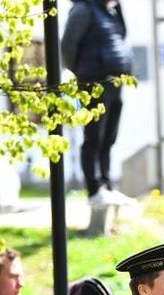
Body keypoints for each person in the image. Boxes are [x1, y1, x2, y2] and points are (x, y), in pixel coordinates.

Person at [61, 0, 133, 203]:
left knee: (108, 137)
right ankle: (94, 190)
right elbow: (67, 46)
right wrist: (83, 73)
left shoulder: (108, 12)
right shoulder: (84, 10)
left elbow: (122, 34)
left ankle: (107, 184)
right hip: (94, 82)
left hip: (115, 82)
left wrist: (118, 8)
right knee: (93, 137)